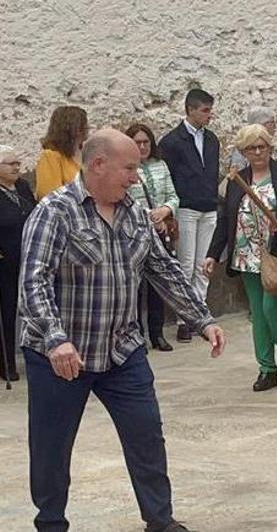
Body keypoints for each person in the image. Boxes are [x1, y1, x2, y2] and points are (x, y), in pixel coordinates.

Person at [20, 128, 226, 532]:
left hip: (121, 350)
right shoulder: (54, 211)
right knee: (51, 449)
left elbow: (162, 268)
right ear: (98, 165)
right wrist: (54, 337)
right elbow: (33, 281)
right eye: (129, 168)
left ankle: (160, 521)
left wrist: (202, 318)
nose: (136, 177)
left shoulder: (133, 211)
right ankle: (50, 523)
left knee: (146, 436)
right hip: (61, 356)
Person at [204, 124, 277, 392]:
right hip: (246, 255)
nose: (258, 151)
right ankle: (266, 368)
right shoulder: (236, 181)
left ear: (270, 147)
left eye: (262, 145)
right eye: (252, 147)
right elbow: (226, 219)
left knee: (273, 309)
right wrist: (212, 254)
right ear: (244, 152)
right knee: (259, 315)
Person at [158, 88, 220, 343]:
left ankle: (200, 312)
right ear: (191, 110)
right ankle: (185, 318)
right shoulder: (172, 142)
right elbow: (168, 176)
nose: (209, 115)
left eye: (209, 110)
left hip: (209, 205)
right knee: (185, 264)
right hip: (185, 206)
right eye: (204, 110)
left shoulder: (213, 140)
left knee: (203, 264)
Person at [125, 124, 179, 353]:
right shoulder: (126, 168)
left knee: (158, 283)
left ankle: (157, 333)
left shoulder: (161, 165)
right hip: (135, 233)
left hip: (160, 231)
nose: (143, 146)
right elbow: (124, 199)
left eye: (146, 142)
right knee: (136, 286)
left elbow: (173, 196)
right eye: (137, 142)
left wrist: (165, 211)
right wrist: (149, 216)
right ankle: (137, 335)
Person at [0, 145, 35, 381]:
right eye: (10, 164)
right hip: (4, 260)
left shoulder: (22, 187)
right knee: (7, 311)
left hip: (28, 257)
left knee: (30, 307)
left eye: (17, 163)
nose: (16, 167)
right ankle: (6, 363)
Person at [34, 105, 89, 200]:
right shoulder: (50, 156)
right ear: (76, 129)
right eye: (85, 125)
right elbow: (49, 195)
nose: (88, 128)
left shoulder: (86, 153)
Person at [229, 106, 277, 172]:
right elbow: (239, 175)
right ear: (262, 124)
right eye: (271, 122)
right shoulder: (242, 146)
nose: (274, 126)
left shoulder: (268, 145)